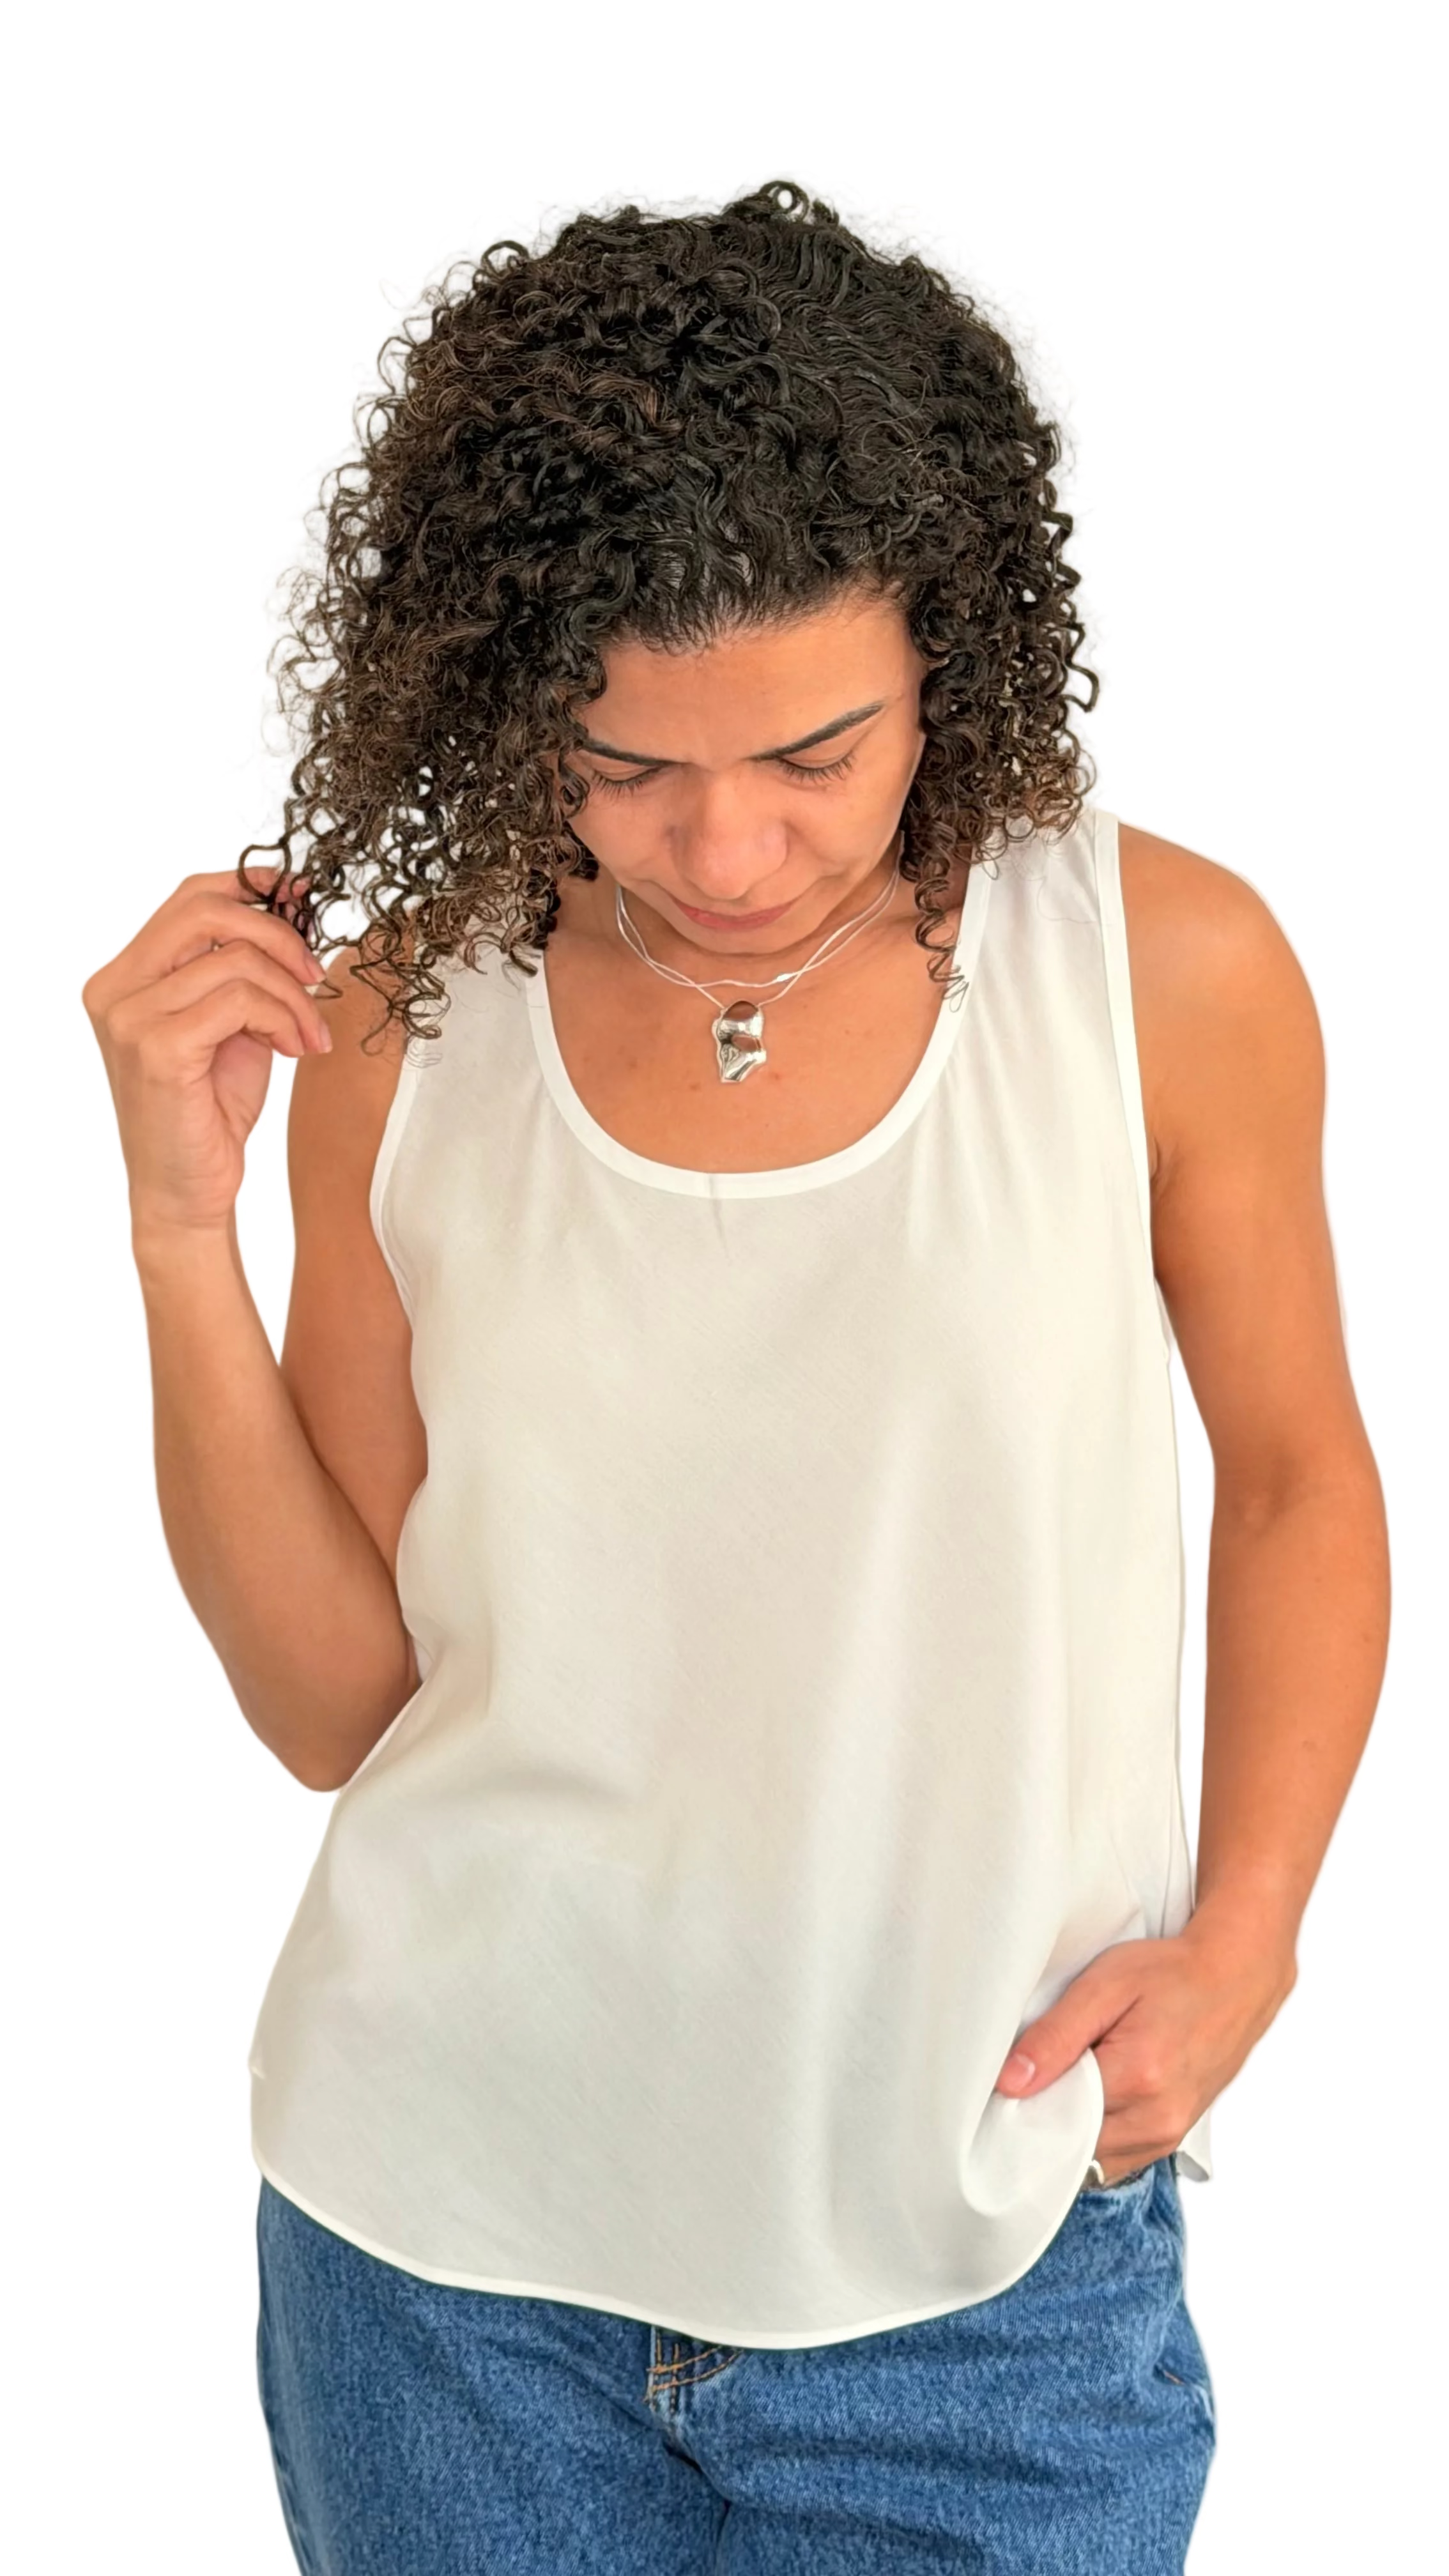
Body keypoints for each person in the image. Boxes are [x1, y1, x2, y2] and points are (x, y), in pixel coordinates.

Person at [82, 180, 1390, 2573]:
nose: (724, 844)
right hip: (443, 2258)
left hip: (981, 2266)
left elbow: (1296, 1472)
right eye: (622, 764)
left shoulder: (1155, 970)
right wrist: (180, 1225)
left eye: (814, 749)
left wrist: (1250, 1934)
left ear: (948, 649)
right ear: (512, 695)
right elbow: (340, 1706)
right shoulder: (403, 1030)